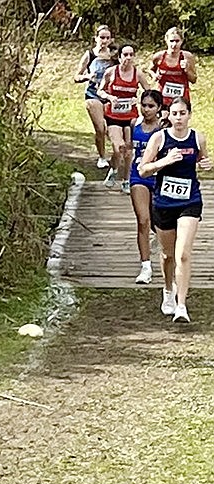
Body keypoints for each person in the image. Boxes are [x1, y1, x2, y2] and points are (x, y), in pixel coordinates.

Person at [138, 96, 212, 323]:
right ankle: (168, 290)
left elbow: (203, 161)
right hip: (164, 203)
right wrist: (164, 161)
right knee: (168, 255)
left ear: (189, 115)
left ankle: (181, 305)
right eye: (174, 114)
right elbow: (143, 170)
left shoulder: (197, 138)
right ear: (168, 116)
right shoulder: (159, 138)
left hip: (190, 201)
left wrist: (208, 164)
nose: (179, 118)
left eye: (182, 113)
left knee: (183, 254)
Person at [98, 43, 151, 194]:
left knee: (128, 151)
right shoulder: (111, 72)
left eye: (131, 55)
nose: (128, 58)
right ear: (119, 57)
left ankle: (126, 180)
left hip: (131, 117)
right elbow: (100, 91)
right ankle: (114, 168)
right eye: (125, 55)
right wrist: (109, 97)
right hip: (113, 115)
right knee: (118, 148)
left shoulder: (138, 74)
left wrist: (139, 100)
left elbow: (150, 94)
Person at [129, 89, 164, 284]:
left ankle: (166, 251)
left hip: (159, 178)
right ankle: (146, 266)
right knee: (143, 220)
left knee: (160, 221)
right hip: (139, 177)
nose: (146, 109)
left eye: (151, 106)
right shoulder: (134, 124)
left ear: (159, 108)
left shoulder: (163, 129)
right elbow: (129, 147)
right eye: (144, 105)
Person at [73, 25, 115, 169]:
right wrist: (86, 77)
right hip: (93, 94)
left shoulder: (114, 55)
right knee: (100, 128)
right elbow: (76, 77)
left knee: (114, 128)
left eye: (107, 38)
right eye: (102, 37)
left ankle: (117, 157)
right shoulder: (89, 54)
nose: (104, 41)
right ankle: (102, 157)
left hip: (110, 95)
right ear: (95, 38)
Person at [150, 27, 197, 109]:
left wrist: (187, 70)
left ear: (182, 41)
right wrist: (154, 75)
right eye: (171, 41)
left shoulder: (187, 57)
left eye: (177, 41)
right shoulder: (159, 56)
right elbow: (150, 70)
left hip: (181, 100)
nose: (174, 44)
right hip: (163, 99)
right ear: (166, 41)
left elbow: (193, 79)